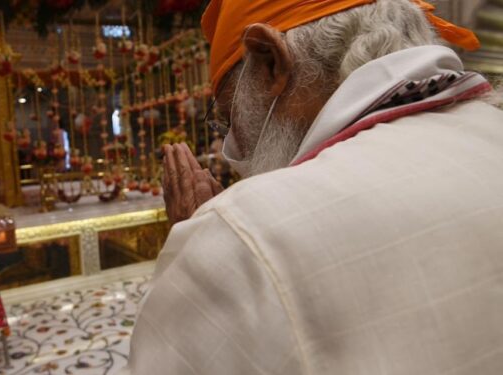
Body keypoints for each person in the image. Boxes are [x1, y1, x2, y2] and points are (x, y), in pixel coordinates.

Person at [124, 1, 503, 374]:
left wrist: (207, 268)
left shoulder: (248, 234)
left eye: (227, 119)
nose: (234, 149)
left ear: (270, 60)